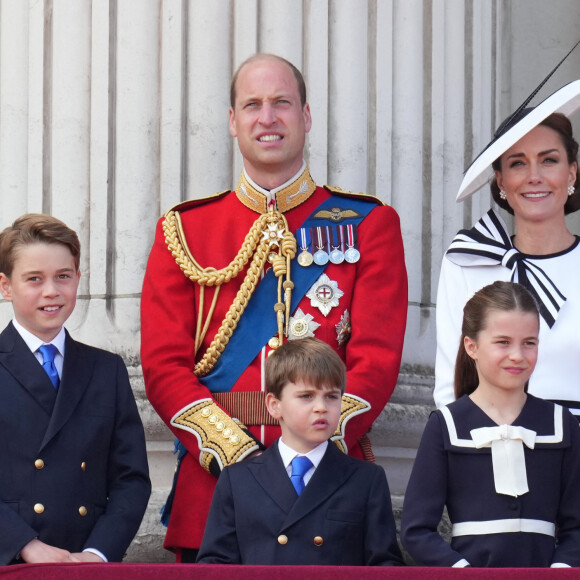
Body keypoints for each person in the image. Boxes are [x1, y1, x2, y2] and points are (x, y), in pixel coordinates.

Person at [140, 53, 408, 560]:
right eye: (253, 105)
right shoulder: (185, 230)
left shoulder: (369, 224)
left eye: (281, 103)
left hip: (329, 484)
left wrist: (311, 444)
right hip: (215, 484)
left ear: (305, 117)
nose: (267, 117)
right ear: (233, 121)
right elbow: (163, 366)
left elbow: (376, 360)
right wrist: (238, 457)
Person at [0, 214, 151, 565]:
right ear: (6, 286)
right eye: (34, 279)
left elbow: (131, 478)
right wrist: (27, 545)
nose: (51, 291)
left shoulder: (106, 370)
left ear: (78, 280)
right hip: (11, 561)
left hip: (84, 562)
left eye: (63, 277)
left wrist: (98, 554)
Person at [402, 281, 580, 567]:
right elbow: (416, 530)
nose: (518, 356)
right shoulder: (446, 425)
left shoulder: (561, 423)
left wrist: (559, 572)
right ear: (471, 346)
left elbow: (577, 527)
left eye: (529, 343)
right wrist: (463, 572)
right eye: (503, 342)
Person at [434, 80, 580, 414]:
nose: (534, 176)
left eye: (549, 160)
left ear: (571, 172)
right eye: (517, 163)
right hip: (493, 449)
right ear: (501, 181)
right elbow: (450, 387)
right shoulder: (468, 261)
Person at [196, 337, 403, 566]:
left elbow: (385, 566)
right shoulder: (237, 480)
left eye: (332, 396)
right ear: (274, 405)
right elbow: (215, 566)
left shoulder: (366, 480)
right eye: (306, 396)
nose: (321, 407)